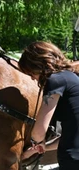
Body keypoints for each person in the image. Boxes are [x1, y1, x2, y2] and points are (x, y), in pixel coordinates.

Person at [19, 41, 79, 169]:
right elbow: (70, 134)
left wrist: (35, 141)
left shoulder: (55, 80)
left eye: (30, 73)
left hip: (72, 161)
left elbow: (39, 131)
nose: (32, 78)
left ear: (38, 65)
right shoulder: (72, 78)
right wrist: (41, 147)